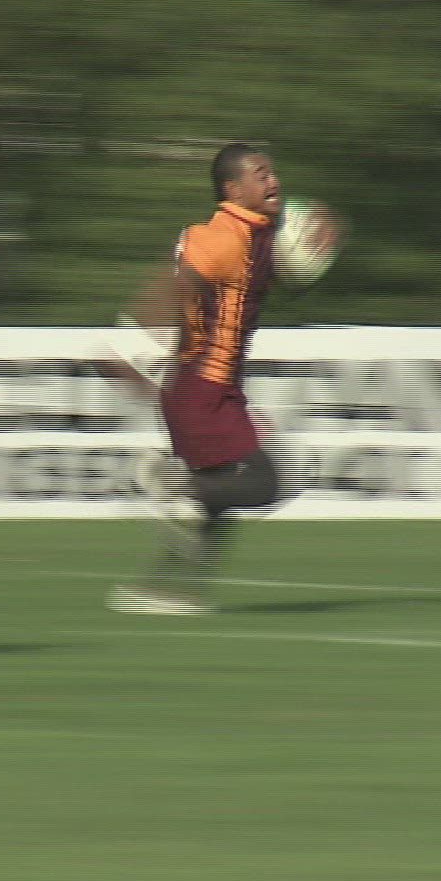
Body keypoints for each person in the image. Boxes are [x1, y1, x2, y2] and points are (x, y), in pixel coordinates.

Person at [107, 143, 336, 616]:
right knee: (266, 483)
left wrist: (315, 242)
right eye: (261, 174)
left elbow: (262, 280)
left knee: (218, 500)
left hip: (206, 390)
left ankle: (165, 591)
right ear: (233, 189)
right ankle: (168, 483)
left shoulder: (253, 233)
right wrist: (127, 347)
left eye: (273, 172)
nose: (273, 181)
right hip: (202, 390)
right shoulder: (224, 238)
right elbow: (175, 288)